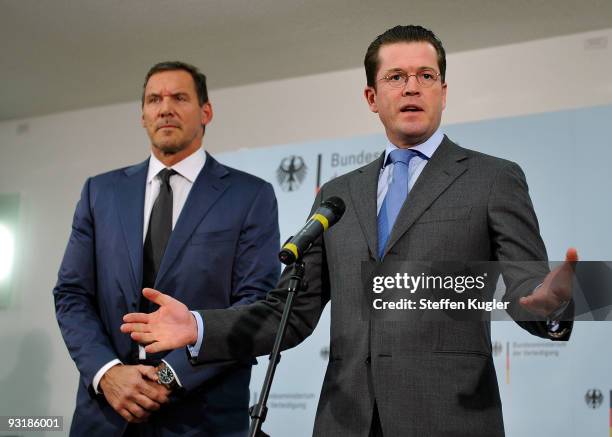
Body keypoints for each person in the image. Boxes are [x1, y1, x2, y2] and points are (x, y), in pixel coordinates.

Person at [121, 27, 577, 436]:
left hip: (448, 417)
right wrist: (200, 325)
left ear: (443, 91)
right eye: (396, 77)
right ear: (372, 97)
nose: (412, 86)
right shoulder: (340, 193)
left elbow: (527, 285)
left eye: (426, 76)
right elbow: (291, 311)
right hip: (347, 419)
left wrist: (549, 305)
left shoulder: (492, 178)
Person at [53, 61, 280, 437]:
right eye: (154, 99)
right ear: (142, 115)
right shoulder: (100, 192)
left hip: (203, 414)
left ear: (205, 111)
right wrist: (108, 373)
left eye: (179, 97)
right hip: (106, 413)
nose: (165, 108)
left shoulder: (249, 195)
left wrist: (167, 377)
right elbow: (72, 294)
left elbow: (254, 306)